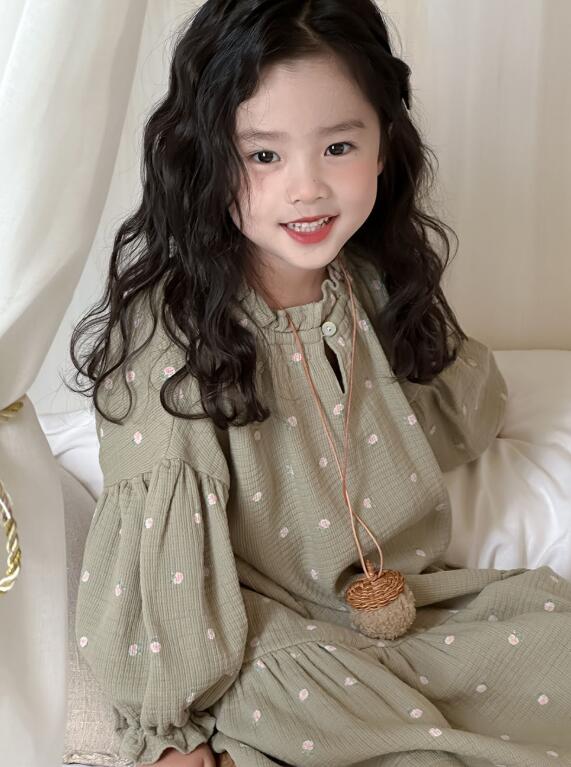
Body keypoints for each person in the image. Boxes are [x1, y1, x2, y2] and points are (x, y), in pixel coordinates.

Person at [68, 1, 571, 765]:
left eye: (337, 146)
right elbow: (158, 563)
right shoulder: (175, 338)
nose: (306, 188)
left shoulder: (367, 284)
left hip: (408, 609)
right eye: (263, 156)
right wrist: (167, 728)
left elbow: (463, 419)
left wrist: (411, 308)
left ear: (383, 146)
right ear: (206, 158)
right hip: (267, 644)